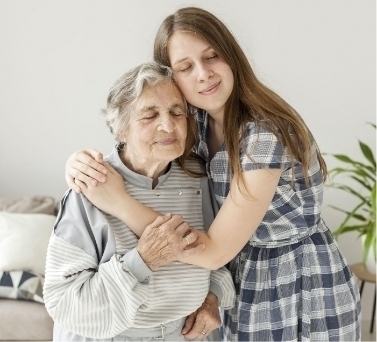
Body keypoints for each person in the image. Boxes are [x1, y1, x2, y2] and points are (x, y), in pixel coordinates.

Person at [65, 6, 361, 342]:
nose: (203, 73)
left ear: (231, 57)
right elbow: (134, 140)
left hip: (297, 281)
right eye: (185, 67)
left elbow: (216, 250)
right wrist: (80, 162)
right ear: (171, 78)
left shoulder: (263, 136)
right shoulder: (196, 124)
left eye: (212, 56)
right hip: (242, 277)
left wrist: (117, 201)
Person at [44, 61, 235, 342]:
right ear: (121, 129)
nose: (168, 125)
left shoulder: (199, 178)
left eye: (176, 112)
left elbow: (219, 255)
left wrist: (212, 298)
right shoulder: (90, 185)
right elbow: (64, 303)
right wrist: (142, 260)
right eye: (149, 115)